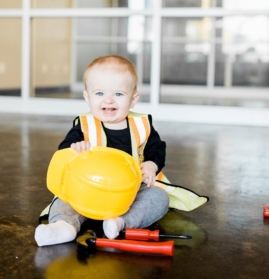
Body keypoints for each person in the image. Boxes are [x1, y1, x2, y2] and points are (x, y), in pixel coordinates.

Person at [35, 55, 169, 246]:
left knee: (159, 197)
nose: (109, 100)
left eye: (118, 94)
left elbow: (157, 147)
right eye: (99, 94)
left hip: (129, 193)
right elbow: (64, 149)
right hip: (88, 190)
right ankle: (64, 226)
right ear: (87, 97)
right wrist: (75, 148)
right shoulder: (83, 126)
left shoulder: (142, 125)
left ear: (133, 100)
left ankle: (119, 222)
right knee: (65, 198)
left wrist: (151, 164)